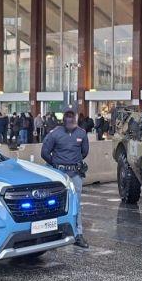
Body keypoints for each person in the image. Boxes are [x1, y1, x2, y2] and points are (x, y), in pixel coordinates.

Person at [41, 106, 90, 248]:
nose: (70, 122)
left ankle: (78, 235)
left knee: (76, 205)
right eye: (67, 119)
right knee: (54, 205)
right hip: (60, 174)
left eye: (72, 119)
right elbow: (45, 153)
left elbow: (85, 152)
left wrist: (73, 162)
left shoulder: (82, 133)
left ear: (75, 120)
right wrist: (56, 164)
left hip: (75, 174)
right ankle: (51, 235)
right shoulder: (55, 134)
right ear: (64, 121)